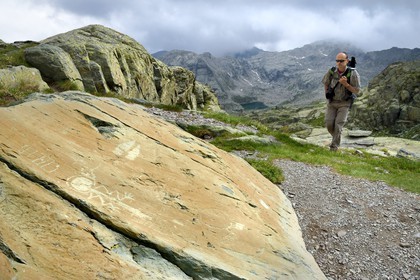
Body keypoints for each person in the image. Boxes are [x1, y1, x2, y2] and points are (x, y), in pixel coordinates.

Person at [322, 52, 361, 151]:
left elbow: (356, 91)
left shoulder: (353, 73)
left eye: (342, 61)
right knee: (329, 124)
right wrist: (327, 94)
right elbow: (326, 82)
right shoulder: (332, 71)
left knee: (338, 125)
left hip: (345, 103)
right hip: (332, 102)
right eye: (337, 61)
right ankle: (336, 137)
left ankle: (334, 147)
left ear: (347, 61)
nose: (339, 63)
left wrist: (346, 84)